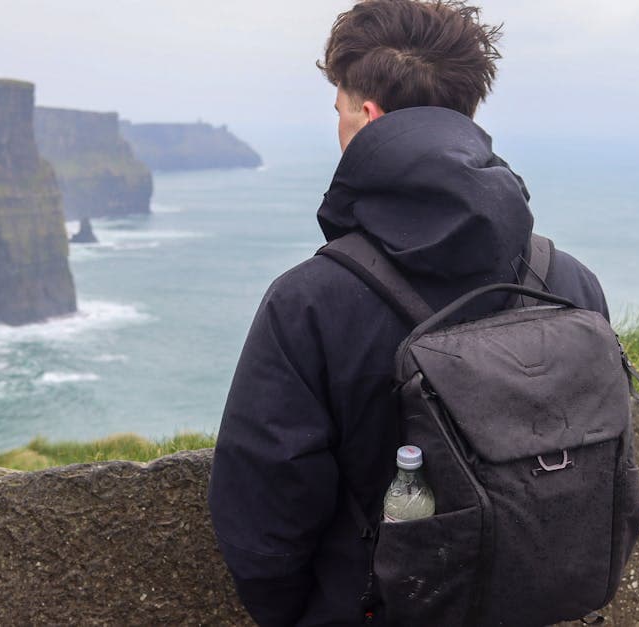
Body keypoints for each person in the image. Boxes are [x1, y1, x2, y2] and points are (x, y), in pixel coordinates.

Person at [207, 1, 611, 625]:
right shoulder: (567, 281)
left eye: (338, 110)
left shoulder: (309, 302)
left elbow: (263, 519)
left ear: (365, 117)